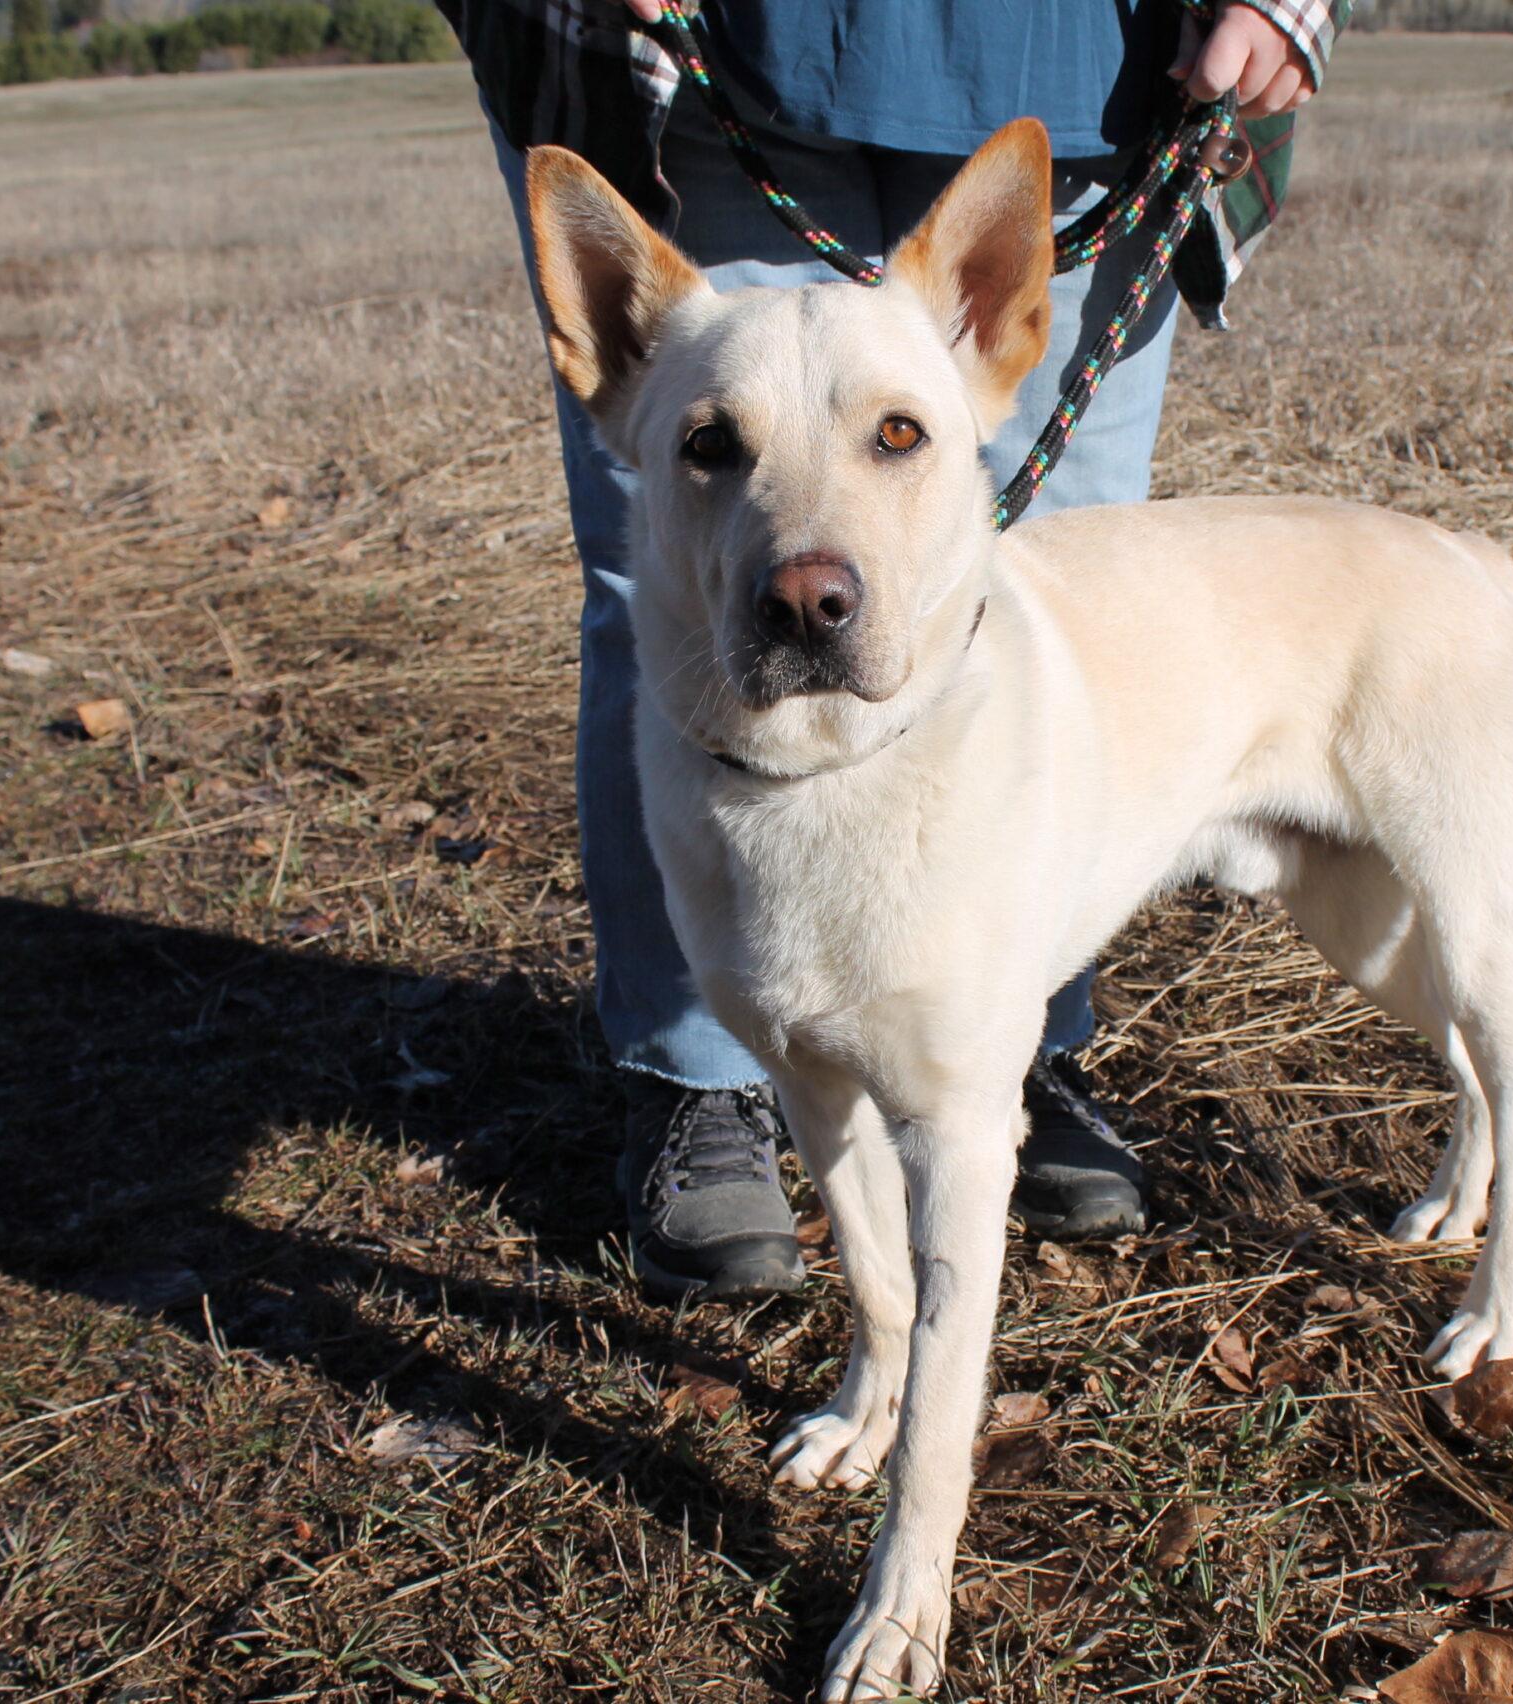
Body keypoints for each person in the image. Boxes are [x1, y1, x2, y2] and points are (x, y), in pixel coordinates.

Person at [438, 0, 1352, 1298]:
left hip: (1092, 57)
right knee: (684, 599)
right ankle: (706, 1076)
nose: (813, 588)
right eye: (715, 443)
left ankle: (1011, 1044)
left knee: (1063, 596)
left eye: (898, 438)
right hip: (710, 48)